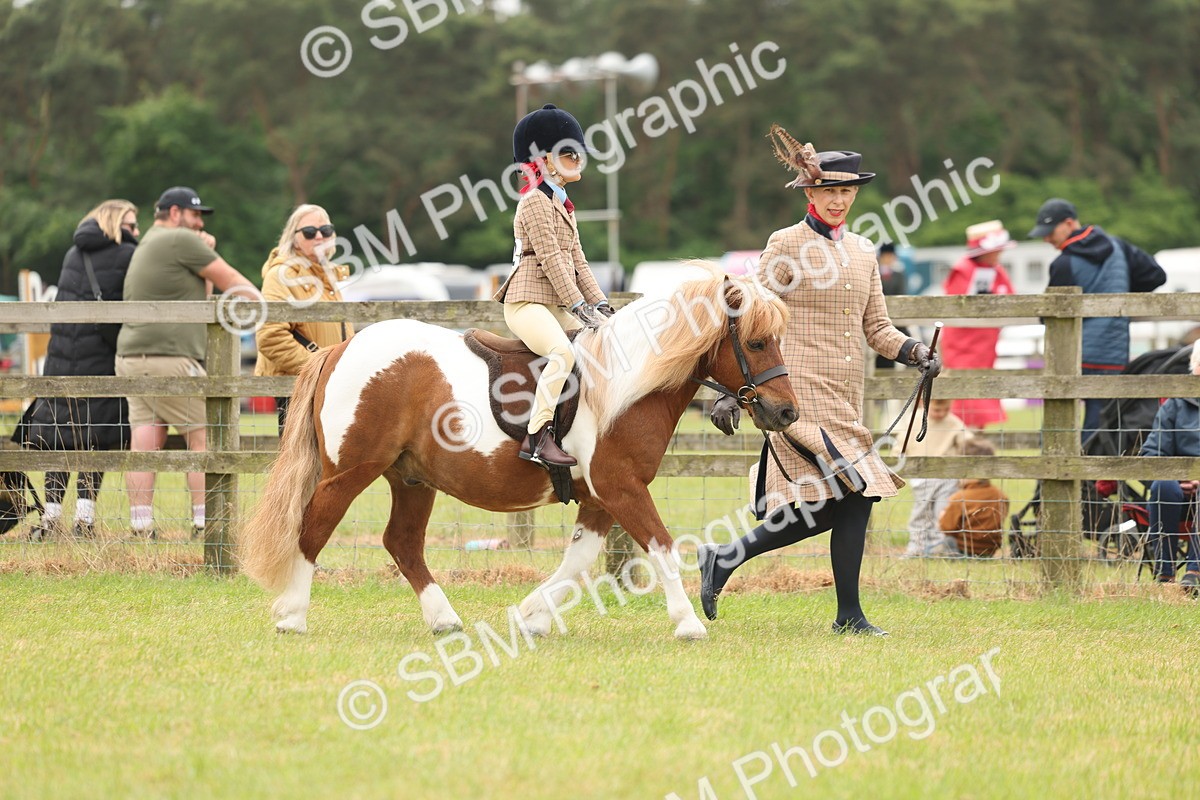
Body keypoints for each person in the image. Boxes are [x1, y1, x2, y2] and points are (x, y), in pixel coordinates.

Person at [698, 127, 942, 636]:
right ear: (810, 194)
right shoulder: (786, 244)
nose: (838, 200)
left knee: (853, 497)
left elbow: (877, 328)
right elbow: (743, 315)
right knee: (852, 491)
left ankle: (732, 561)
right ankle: (834, 608)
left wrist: (916, 352)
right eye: (828, 191)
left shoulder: (863, 250)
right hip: (796, 398)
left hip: (845, 400)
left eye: (846, 191)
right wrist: (728, 391)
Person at [114, 187, 255, 539]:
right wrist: (265, 307)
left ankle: (141, 526)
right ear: (175, 213)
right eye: (195, 215)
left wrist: (203, 251)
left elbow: (203, 297)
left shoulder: (152, 239)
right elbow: (232, 282)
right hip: (172, 358)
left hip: (131, 356)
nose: (200, 223)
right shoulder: (180, 239)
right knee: (206, 435)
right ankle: (204, 523)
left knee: (145, 440)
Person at [11, 200, 139, 539]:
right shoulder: (126, 255)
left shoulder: (73, 254)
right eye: (132, 224)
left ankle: (50, 518)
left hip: (61, 357)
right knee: (93, 437)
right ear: (115, 224)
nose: (136, 231)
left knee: (59, 436)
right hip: (101, 358)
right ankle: (84, 519)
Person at [494, 104, 611, 467]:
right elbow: (551, 259)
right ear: (543, 160)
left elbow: (578, 261)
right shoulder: (533, 203)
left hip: (552, 303)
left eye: (577, 153)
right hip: (526, 302)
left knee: (599, 350)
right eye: (568, 152)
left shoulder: (563, 205)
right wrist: (578, 306)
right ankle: (537, 436)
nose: (577, 159)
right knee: (563, 353)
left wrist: (603, 306)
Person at [1029, 198, 1166, 441]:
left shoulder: (1064, 263)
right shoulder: (1117, 246)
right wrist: (1119, 297)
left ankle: (1056, 478)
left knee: (1058, 427)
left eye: (1050, 232)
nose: (1046, 239)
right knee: (1101, 426)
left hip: (1074, 354)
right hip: (1113, 353)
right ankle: (1097, 479)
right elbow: (1155, 275)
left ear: (1069, 223)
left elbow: (1049, 314)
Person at [254, 204, 352, 433]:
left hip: (328, 386)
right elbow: (271, 336)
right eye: (309, 232)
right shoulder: (281, 275)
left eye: (326, 230)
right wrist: (317, 369)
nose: (319, 236)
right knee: (300, 465)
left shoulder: (326, 275)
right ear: (294, 238)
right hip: (299, 388)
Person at [940, 220, 1016, 429]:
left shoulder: (997, 270)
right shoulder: (962, 270)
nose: (998, 255)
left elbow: (1012, 298)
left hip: (986, 346)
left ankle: (976, 444)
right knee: (963, 395)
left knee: (981, 392)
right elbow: (954, 305)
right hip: (963, 345)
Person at [1137, 345, 1200, 593]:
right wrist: (1178, 476)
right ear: (1194, 369)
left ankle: (1194, 572)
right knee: (1163, 486)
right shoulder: (1174, 406)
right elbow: (1151, 453)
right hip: (1176, 488)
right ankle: (1165, 574)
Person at [900, 395, 973, 557]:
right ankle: (916, 547)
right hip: (921, 475)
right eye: (936, 410)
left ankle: (938, 547)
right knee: (921, 512)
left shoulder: (953, 423)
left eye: (945, 410)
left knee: (942, 511)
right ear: (925, 405)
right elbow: (901, 443)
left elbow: (968, 442)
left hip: (946, 476)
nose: (941, 414)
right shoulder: (914, 420)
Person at [937, 438, 1009, 558]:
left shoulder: (960, 498)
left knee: (943, 543)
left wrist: (942, 517)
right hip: (989, 550)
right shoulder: (1000, 495)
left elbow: (947, 528)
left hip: (963, 549)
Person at [874, 242, 909, 371]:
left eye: (891, 256)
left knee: (907, 340)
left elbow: (902, 293)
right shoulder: (875, 273)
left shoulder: (899, 274)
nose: (889, 259)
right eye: (886, 256)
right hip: (879, 315)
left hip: (897, 317)